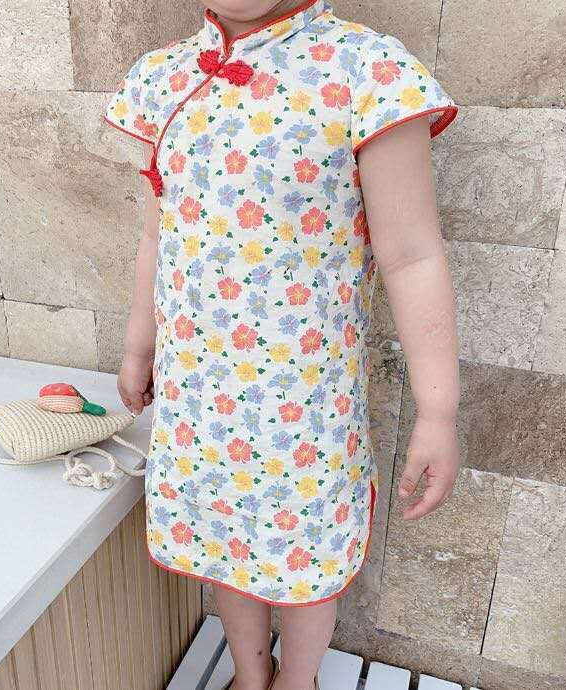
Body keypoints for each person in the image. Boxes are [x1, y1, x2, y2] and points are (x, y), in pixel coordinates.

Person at [106, 1, 461, 688]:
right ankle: (250, 673)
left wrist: (439, 410)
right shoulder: (164, 78)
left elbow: (413, 255)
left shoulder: (365, 72)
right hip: (200, 399)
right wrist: (137, 347)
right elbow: (157, 233)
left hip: (305, 409)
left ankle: (299, 682)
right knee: (223, 543)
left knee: (307, 561)